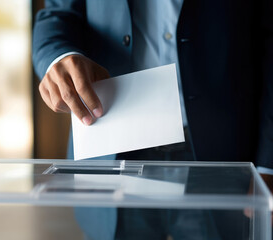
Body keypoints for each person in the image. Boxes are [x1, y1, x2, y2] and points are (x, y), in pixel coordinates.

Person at [33, 0, 273, 239]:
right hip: (113, 150)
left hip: (220, 155)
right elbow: (58, 14)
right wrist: (59, 57)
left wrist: (268, 164)